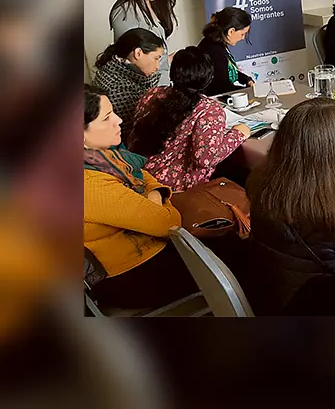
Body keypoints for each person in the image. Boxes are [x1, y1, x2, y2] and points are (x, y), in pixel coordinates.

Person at [241, 98, 335, 314]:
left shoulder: (262, 180)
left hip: (274, 295)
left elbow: (308, 170)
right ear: (333, 148)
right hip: (323, 314)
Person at [83, 84, 198, 309]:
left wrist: (154, 194)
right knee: (236, 254)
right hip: (130, 271)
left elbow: (144, 175)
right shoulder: (88, 182)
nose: (119, 120)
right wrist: (158, 200)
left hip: (140, 247)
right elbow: (169, 223)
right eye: (107, 118)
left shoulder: (102, 157)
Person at [128, 47, 252, 191]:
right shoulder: (208, 110)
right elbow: (205, 159)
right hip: (175, 189)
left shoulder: (152, 94)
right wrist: (238, 134)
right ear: (208, 77)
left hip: (139, 175)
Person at [108, 0, 178, 85]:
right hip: (142, 86)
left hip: (161, 80)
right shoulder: (125, 11)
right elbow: (131, 58)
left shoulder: (153, 3)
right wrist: (165, 61)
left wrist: (167, 60)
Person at [91, 28, 165, 140]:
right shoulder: (119, 88)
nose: (157, 66)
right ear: (138, 53)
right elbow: (138, 133)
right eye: (156, 58)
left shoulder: (115, 68)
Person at [198, 6, 254, 96]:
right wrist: (249, 91)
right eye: (242, 34)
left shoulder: (217, 44)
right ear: (231, 31)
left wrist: (246, 79)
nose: (243, 38)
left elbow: (227, 71)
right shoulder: (214, 52)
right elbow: (223, 88)